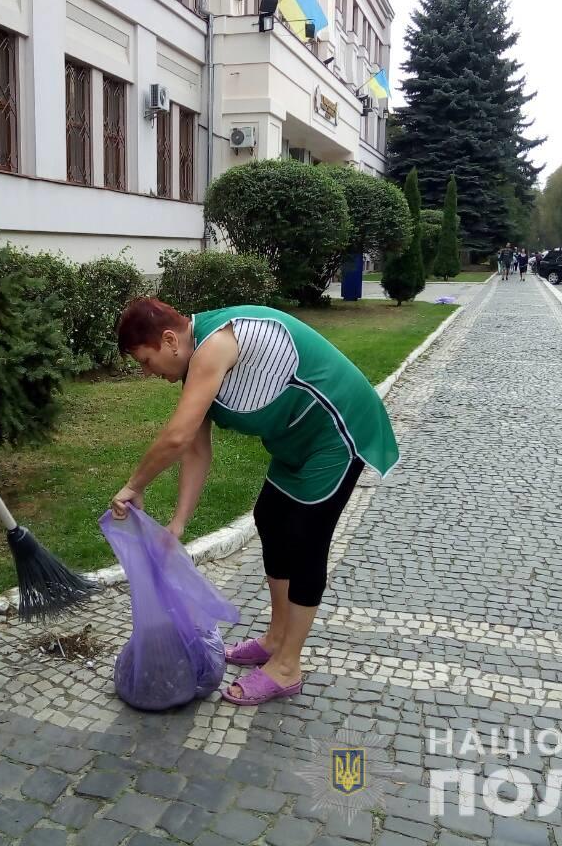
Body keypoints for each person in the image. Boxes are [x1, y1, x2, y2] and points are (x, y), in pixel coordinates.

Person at [111, 299, 399, 706]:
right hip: (296, 441)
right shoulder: (195, 364)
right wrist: (177, 524)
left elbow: (176, 437)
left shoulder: (216, 344)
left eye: (145, 359)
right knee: (270, 517)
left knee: (305, 540)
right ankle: (275, 638)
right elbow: (195, 449)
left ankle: (287, 668)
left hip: (337, 432)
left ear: (170, 340)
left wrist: (134, 484)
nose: (146, 372)